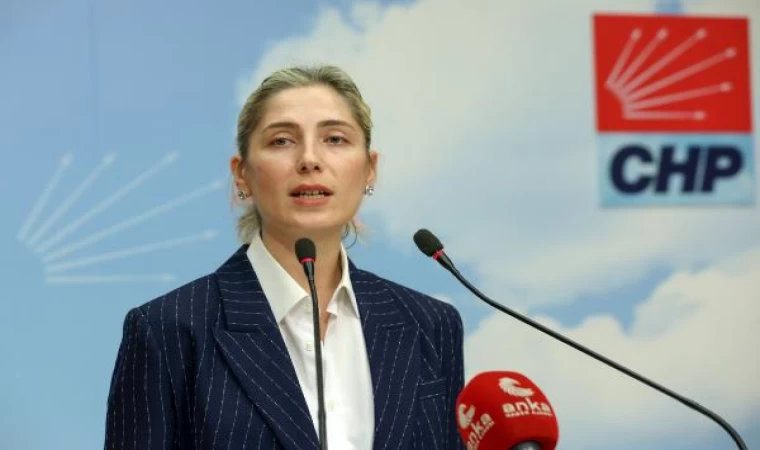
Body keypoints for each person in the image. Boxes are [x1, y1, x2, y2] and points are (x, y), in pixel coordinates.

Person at [104, 64, 465, 450]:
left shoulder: (430, 324)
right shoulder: (168, 330)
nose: (310, 159)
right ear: (242, 174)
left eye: (335, 139)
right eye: (281, 141)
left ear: (369, 170)